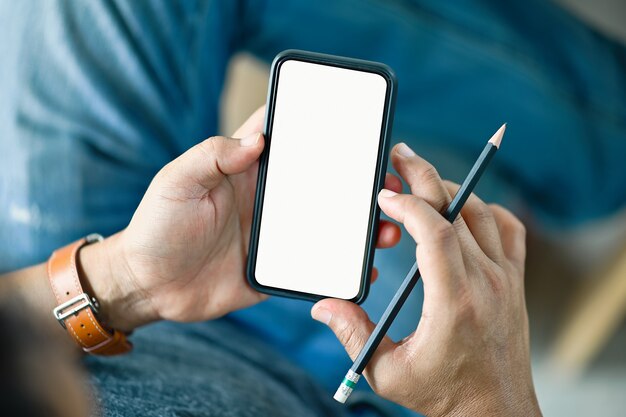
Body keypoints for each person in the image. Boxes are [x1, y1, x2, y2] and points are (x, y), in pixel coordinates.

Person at [0, 108, 541, 416]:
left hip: (155, 289)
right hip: (335, 390)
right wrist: (489, 401)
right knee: (441, 266)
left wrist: (128, 279)